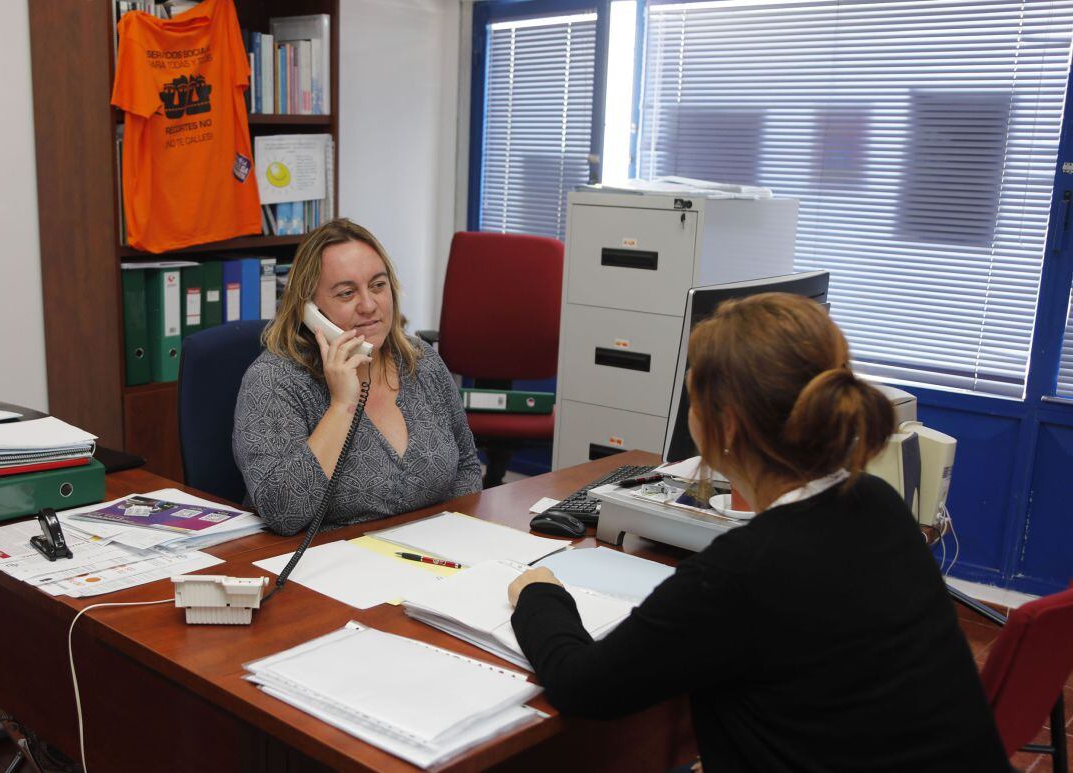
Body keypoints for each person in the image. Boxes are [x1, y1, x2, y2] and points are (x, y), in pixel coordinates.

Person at [507, 293, 1009, 772]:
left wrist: (539, 594)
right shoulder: (877, 504)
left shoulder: (742, 571)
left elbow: (584, 688)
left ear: (723, 426)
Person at [234, 219, 482, 535]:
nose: (368, 305)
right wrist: (341, 406)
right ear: (310, 308)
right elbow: (284, 514)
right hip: (329, 566)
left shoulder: (420, 360)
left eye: (378, 286)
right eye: (347, 293)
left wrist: (460, 540)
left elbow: (467, 468)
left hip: (431, 561)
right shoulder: (275, 381)